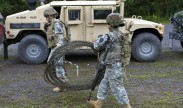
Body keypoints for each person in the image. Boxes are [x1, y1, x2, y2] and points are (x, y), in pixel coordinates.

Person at [87, 13, 131, 108]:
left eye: (108, 23)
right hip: (112, 65)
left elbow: (96, 46)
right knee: (104, 83)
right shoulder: (120, 35)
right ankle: (99, 103)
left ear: (111, 24)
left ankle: (126, 106)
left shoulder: (109, 36)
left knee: (117, 87)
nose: (107, 25)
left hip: (114, 66)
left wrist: (99, 39)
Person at [44, 7, 70, 92]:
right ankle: (62, 82)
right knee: (53, 64)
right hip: (56, 47)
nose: (46, 18)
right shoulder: (53, 24)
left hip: (58, 48)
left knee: (58, 65)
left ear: (50, 16)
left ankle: (62, 85)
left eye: (47, 16)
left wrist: (56, 51)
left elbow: (60, 38)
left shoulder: (57, 24)